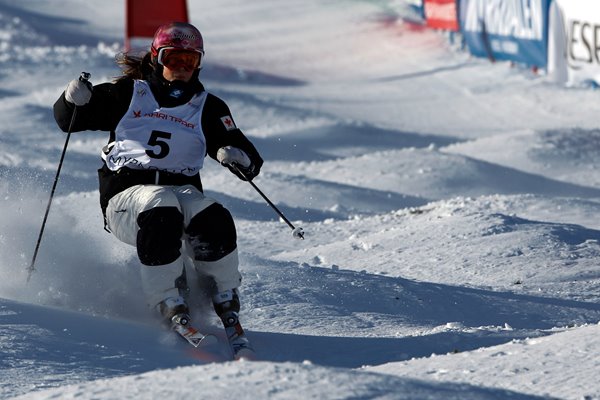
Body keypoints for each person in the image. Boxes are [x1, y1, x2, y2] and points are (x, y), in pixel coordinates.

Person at [53, 22, 263, 357]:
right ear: (156, 57)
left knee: (213, 216)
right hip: (126, 200)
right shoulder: (127, 93)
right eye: (173, 58)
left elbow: (248, 158)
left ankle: (224, 295)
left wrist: (238, 157)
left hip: (181, 197)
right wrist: (70, 100)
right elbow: (70, 120)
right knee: (161, 204)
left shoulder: (208, 107)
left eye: (190, 61)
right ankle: (166, 301)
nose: (181, 69)